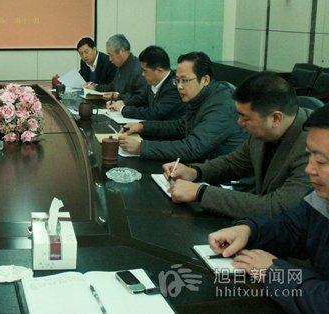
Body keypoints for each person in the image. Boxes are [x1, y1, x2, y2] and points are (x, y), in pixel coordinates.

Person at [208, 104, 329, 313]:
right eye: (309, 156)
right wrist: (249, 230)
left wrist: (273, 273)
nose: (309, 169)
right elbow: (292, 227)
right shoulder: (322, 198)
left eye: (321, 161)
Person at [163, 72, 312, 217]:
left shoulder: (313, 146)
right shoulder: (263, 129)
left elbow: (277, 207)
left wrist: (200, 192)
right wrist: (195, 172)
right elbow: (233, 164)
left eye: (245, 118)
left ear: (276, 118)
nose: (239, 123)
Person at [119, 51, 246, 162]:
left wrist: (141, 147)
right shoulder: (201, 97)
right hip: (203, 163)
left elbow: (192, 147)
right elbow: (181, 126)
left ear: (205, 80)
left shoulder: (222, 105)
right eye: (177, 80)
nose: (179, 86)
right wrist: (142, 126)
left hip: (224, 176)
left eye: (184, 80)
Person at [107, 45, 185, 120]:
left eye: (145, 71)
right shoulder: (153, 82)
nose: (143, 74)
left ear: (159, 71)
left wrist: (123, 109)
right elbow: (141, 99)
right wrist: (121, 103)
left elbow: (156, 113)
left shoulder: (175, 87)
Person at [86, 34, 146, 103]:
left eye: (111, 55)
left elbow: (142, 98)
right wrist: (95, 87)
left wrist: (118, 97)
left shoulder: (138, 69)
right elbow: (113, 86)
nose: (110, 59)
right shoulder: (121, 65)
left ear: (122, 51)